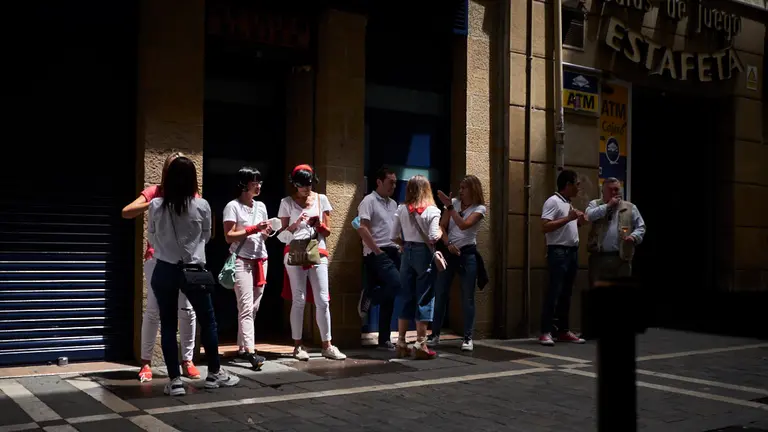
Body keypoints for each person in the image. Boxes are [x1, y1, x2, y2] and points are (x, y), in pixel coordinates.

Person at [148, 156, 239, 396]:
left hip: (165, 268)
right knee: (207, 321)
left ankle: (175, 381)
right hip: (194, 271)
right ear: (192, 180)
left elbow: (152, 236)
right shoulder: (202, 206)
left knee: (168, 324)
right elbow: (207, 236)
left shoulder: (156, 205)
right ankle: (213, 374)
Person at [121, 152, 199, 383]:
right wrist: (154, 203)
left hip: (184, 260)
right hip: (156, 259)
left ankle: (187, 360)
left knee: (187, 310)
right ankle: (146, 363)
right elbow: (126, 212)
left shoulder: (191, 195)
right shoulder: (155, 192)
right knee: (154, 310)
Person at [278, 164, 346, 361]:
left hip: (317, 249)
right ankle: (297, 345)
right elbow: (281, 235)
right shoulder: (286, 202)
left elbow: (328, 231)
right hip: (295, 250)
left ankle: (328, 344)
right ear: (295, 184)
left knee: (323, 300)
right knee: (298, 299)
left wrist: (319, 225)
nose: (306, 189)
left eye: (309, 184)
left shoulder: (321, 199)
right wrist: (296, 224)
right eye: (302, 185)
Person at [429, 175, 489, 352]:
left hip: (467, 255)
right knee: (440, 293)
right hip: (450, 252)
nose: (460, 191)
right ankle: (435, 335)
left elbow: (463, 225)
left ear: (473, 189)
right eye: (460, 187)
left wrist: (449, 206)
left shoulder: (480, 209)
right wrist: (448, 244)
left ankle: (468, 337)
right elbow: (442, 226)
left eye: (464, 188)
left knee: (467, 297)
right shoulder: (454, 203)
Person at [222, 167, 272, 369]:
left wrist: (267, 231)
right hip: (242, 260)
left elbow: (264, 234)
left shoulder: (261, 206)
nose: (258, 186)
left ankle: (242, 347)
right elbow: (228, 236)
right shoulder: (232, 207)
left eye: (260, 182)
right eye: (254, 182)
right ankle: (251, 352)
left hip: (261, 259)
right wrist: (253, 229)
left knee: (253, 307)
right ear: (244, 184)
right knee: (245, 307)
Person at [390, 175, 442, 360]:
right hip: (423, 254)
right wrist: (442, 231)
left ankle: (402, 341)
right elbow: (434, 236)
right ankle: (421, 343)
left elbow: (392, 235)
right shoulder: (432, 211)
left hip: (407, 252)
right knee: (425, 296)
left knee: (406, 295)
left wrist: (403, 244)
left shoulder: (401, 209)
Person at [539, 170, 587, 346]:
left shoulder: (568, 203)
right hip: (558, 252)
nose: (578, 188)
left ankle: (563, 330)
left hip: (572, 252)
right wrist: (569, 218)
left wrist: (578, 222)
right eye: (577, 184)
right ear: (567, 185)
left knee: (566, 293)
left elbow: (566, 225)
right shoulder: (553, 201)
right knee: (554, 291)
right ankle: (546, 331)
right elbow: (545, 226)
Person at [356, 167, 400, 350]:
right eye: (390, 182)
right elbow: (362, 228)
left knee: (390, 296)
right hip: (377, 252)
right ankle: (371, 297)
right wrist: (377, 251)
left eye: (395, 183)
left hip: (393, 251)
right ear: (379, 182)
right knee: (397, 284)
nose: (393, 186)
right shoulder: (369, 201)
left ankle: (384, 339)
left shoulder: (394, 204)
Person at [585, 177, 646, 284]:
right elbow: (588, 216)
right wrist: (607, 206)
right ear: (603, 191)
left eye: (616, 190)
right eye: (610, 190)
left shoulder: (630, 207)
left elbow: (641, 227)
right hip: (598, 257)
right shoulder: (595, 204)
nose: (614, 192)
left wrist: (634, 237)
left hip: (621, 258)